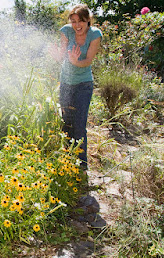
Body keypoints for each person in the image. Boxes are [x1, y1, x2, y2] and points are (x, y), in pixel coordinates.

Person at [57, 4, 102, 170]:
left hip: (84, 84)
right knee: (66, 123)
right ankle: (67, 161)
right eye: (73, 21)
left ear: (88, 20)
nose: (77, 25)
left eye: (81, 21)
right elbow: (60, 56)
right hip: (66, 83)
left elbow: (88, 60)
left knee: (79, 124)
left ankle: (82, 166)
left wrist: (76, 62)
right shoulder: (66, 31)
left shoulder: (95, 34)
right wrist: (55, 54)